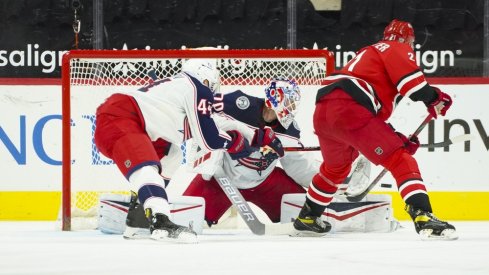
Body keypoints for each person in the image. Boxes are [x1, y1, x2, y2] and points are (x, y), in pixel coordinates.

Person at [292, 19, 457, 240]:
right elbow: (413, 87)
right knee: (401, 160)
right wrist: (435, 98)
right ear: (408, 39)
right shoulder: (396, 47)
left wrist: (395, 138)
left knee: (335, 169)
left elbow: (368, 123)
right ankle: (423, 215)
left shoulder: (369, 52)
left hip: (325, 111)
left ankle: (308, 217)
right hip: (349, 110)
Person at [93, 59, 255, 243]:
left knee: (172, 154)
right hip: (120, 118)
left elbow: (212, 125)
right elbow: (209, 139)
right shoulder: (196, 88)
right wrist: (233, 143)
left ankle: (138, 218)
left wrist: (248, 136)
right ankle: (160, 218)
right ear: (206, 76)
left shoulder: (180, 87)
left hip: (132, 121)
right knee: (147, 169)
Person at [182, 78, 369, 233]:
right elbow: (202, 118)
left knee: (308, 214)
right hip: (222, 180)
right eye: (288, 101)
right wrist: (239, 135)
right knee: (183, 220)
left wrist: (329, 183)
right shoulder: (239, 103)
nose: (291, 107)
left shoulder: (290, 130)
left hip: (267, 183)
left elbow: (298, 166)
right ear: (274, 99)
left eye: (294, 103)